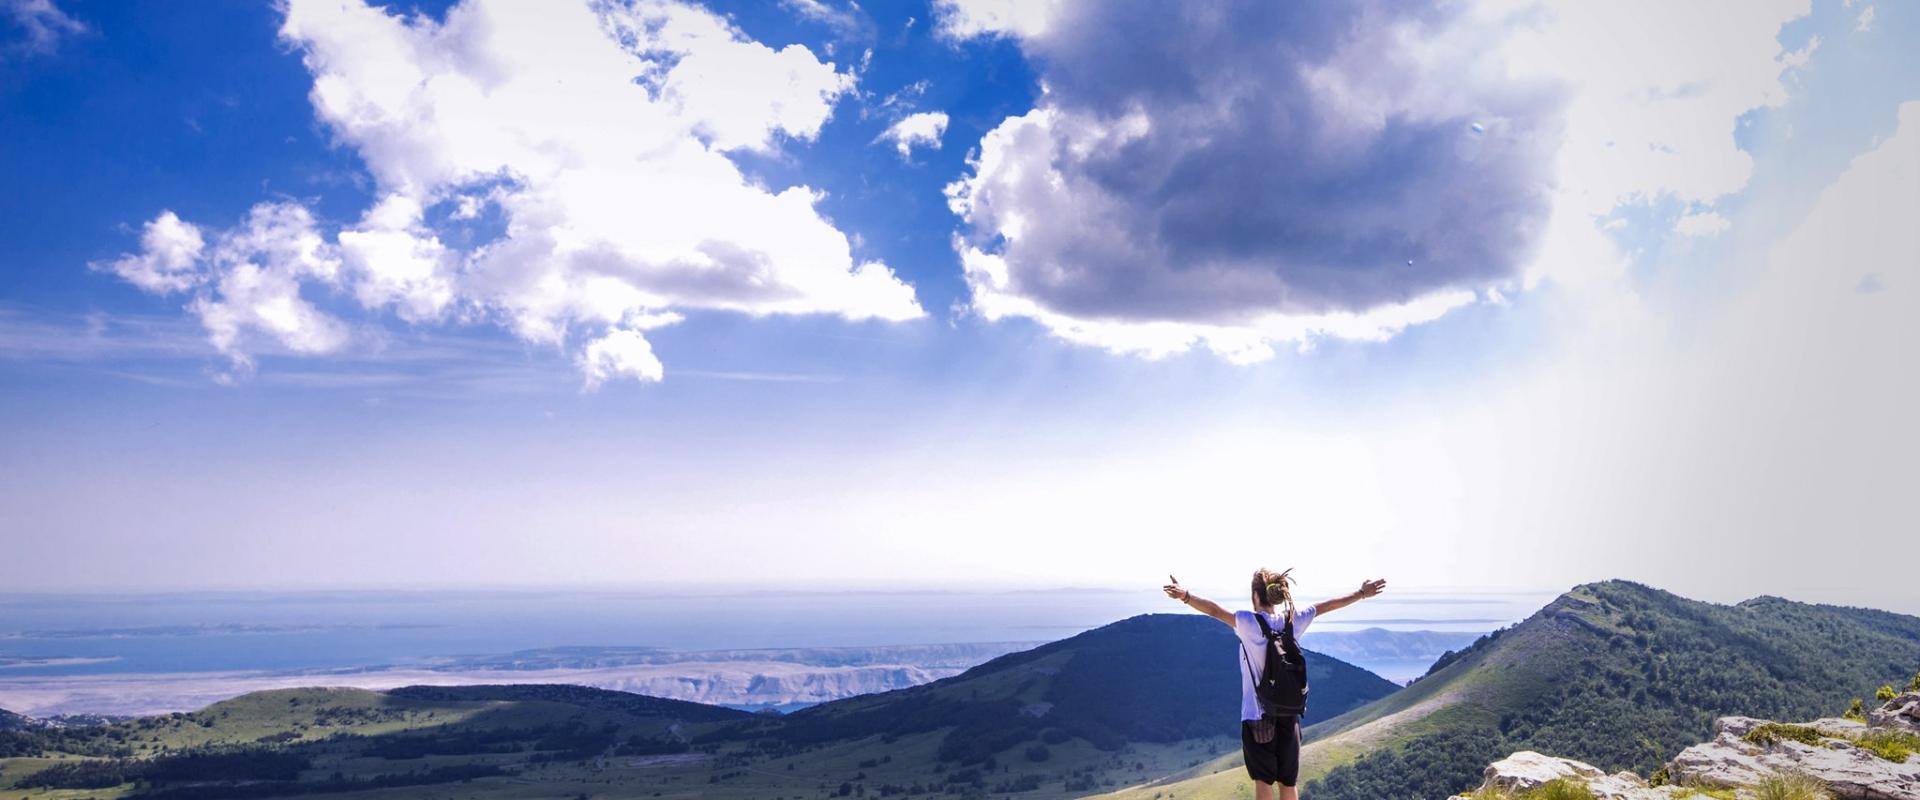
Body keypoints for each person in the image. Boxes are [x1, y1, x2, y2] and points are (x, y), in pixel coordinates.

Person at [1163, 569, 1387, 800]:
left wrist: (1184, 596)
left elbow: (1214, 610)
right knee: (1288, 781)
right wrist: (1361, 593)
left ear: (1255, 597)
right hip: (1289, 713)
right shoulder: (1293, 620)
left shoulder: (1248, 623)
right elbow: (1326, 606)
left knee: (1264, 780)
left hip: (1257, 715)